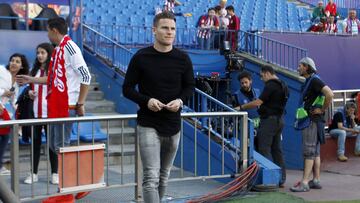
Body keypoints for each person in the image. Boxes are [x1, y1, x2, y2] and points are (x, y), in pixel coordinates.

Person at [123, 11, 195, 203]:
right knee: (151, 177)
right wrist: (146, 101)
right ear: (154, 30)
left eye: (172, 28)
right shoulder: (141, 57)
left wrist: (180, 101)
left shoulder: (183, 59)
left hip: (174, 125)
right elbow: (127, 89)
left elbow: (190, 87)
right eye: (165, 28)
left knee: (164, 176)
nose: (169, 32)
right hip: (148, 123)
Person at [16, 17, 91, 200]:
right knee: (54, 146)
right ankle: (73, 187)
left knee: (61, 147)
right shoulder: (58, 50)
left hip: (68, 105)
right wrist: (31, 79)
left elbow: (86, 75)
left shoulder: (71, 48)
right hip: (57, 105)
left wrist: (80, 103)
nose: (47, 34)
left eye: (48, 30)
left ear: (54, 31)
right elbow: (51, 79)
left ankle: (72, 189)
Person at [238, 65, 289, 187]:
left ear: (267, 73)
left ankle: (268, 179)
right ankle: (281, 179)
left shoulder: (271, 85)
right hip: (280, 120)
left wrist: (241, 107)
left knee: (263, 149)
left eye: (261, 76)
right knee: (277, 150)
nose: (261, 79)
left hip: (269, 121)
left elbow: (258, 102)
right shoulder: (284, 85)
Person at [290, 57, 333, 192]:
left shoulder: (314, 80)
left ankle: (304, 183)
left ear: (306, 67)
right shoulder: (312, 80)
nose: (298, 68)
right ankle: (316, 180)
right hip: (316, 121)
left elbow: (329, 94)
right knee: (315, 152)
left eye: (300, 66)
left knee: (309, 152)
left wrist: (322, 109)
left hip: (311, 121)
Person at [23, 43, 58, 184]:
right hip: (35, 113)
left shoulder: (54, 70)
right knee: (35, 144)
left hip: (50, 113)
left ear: (49, 54)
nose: (39, 55)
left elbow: (51, 82)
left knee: (52, 145)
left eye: (43, 52)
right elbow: (29, 87)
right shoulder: (34, 70)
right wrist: (29, 92)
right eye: (38, 52)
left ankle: (55, 173)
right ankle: (33, 173)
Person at [0, 53, 29, 175]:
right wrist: (2, 92)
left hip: (1, 109)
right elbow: (4, 93)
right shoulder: (1, 70)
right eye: (12, 60)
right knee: (4, 136)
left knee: (5, 136)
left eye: (17, 61)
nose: (13, 63)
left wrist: (21, 112)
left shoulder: (16, 82)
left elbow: (14, 101)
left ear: (21, 66)